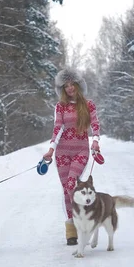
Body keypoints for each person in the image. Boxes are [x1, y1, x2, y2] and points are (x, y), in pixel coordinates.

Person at [43, 68, 100, 246]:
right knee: (67, 191)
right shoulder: (60, 106)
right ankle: (71, 230)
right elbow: (58, 128)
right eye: (65, 86)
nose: (69, 88)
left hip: (81, 151)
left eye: (71, 84)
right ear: (62, 89)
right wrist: (51, 149)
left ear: (77, 85)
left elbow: (96, 125)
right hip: (62, 153)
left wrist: (96, 141)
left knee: (71, 184)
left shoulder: (88, 105)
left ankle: (87, 219)